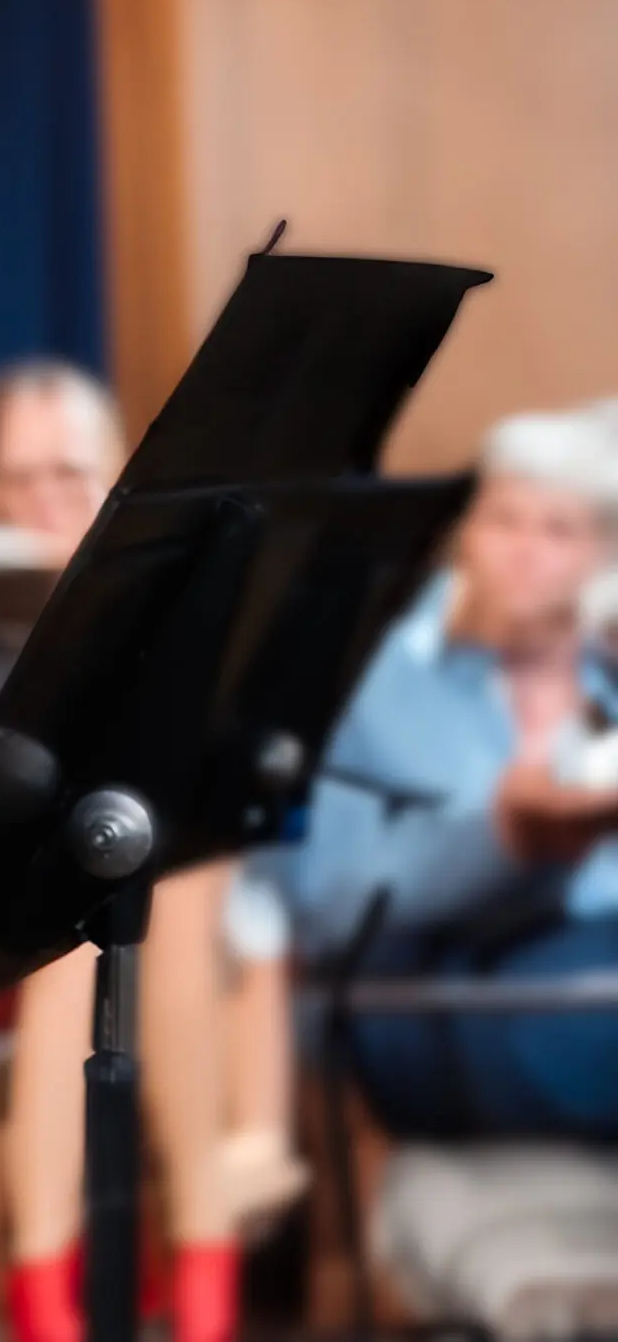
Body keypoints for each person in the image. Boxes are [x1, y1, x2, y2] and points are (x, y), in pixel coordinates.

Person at [0, 362, 300, 1342]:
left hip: (152, 927)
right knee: (113, 910)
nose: (45, 500)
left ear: (117, 475)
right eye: (20, 479)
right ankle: (200, 1269)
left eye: (69, 473)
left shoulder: (182, 614)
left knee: (156, 893)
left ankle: (54, 1292)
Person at [287, 406, 618, 1137]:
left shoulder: (607, 682)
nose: (525, 551)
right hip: (438, 995)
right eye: (503, 520)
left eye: (558, 530)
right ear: (464, 535)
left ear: (602, 554)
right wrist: (502, 838)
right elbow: (327, 904)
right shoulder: (371, 683)